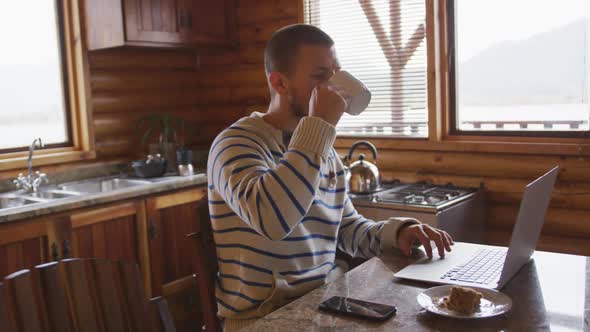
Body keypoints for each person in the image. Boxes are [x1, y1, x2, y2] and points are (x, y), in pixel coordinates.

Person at [207, 24, 453, 331]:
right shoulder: (235, 144)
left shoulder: (321, 150)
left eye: (335, 74)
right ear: (280, 83)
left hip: (324, 305)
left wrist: (398, 232)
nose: (334, 87)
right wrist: (319, 125)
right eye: (321, 76)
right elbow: (273, 219)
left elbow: (346, 229)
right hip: (263, 318)